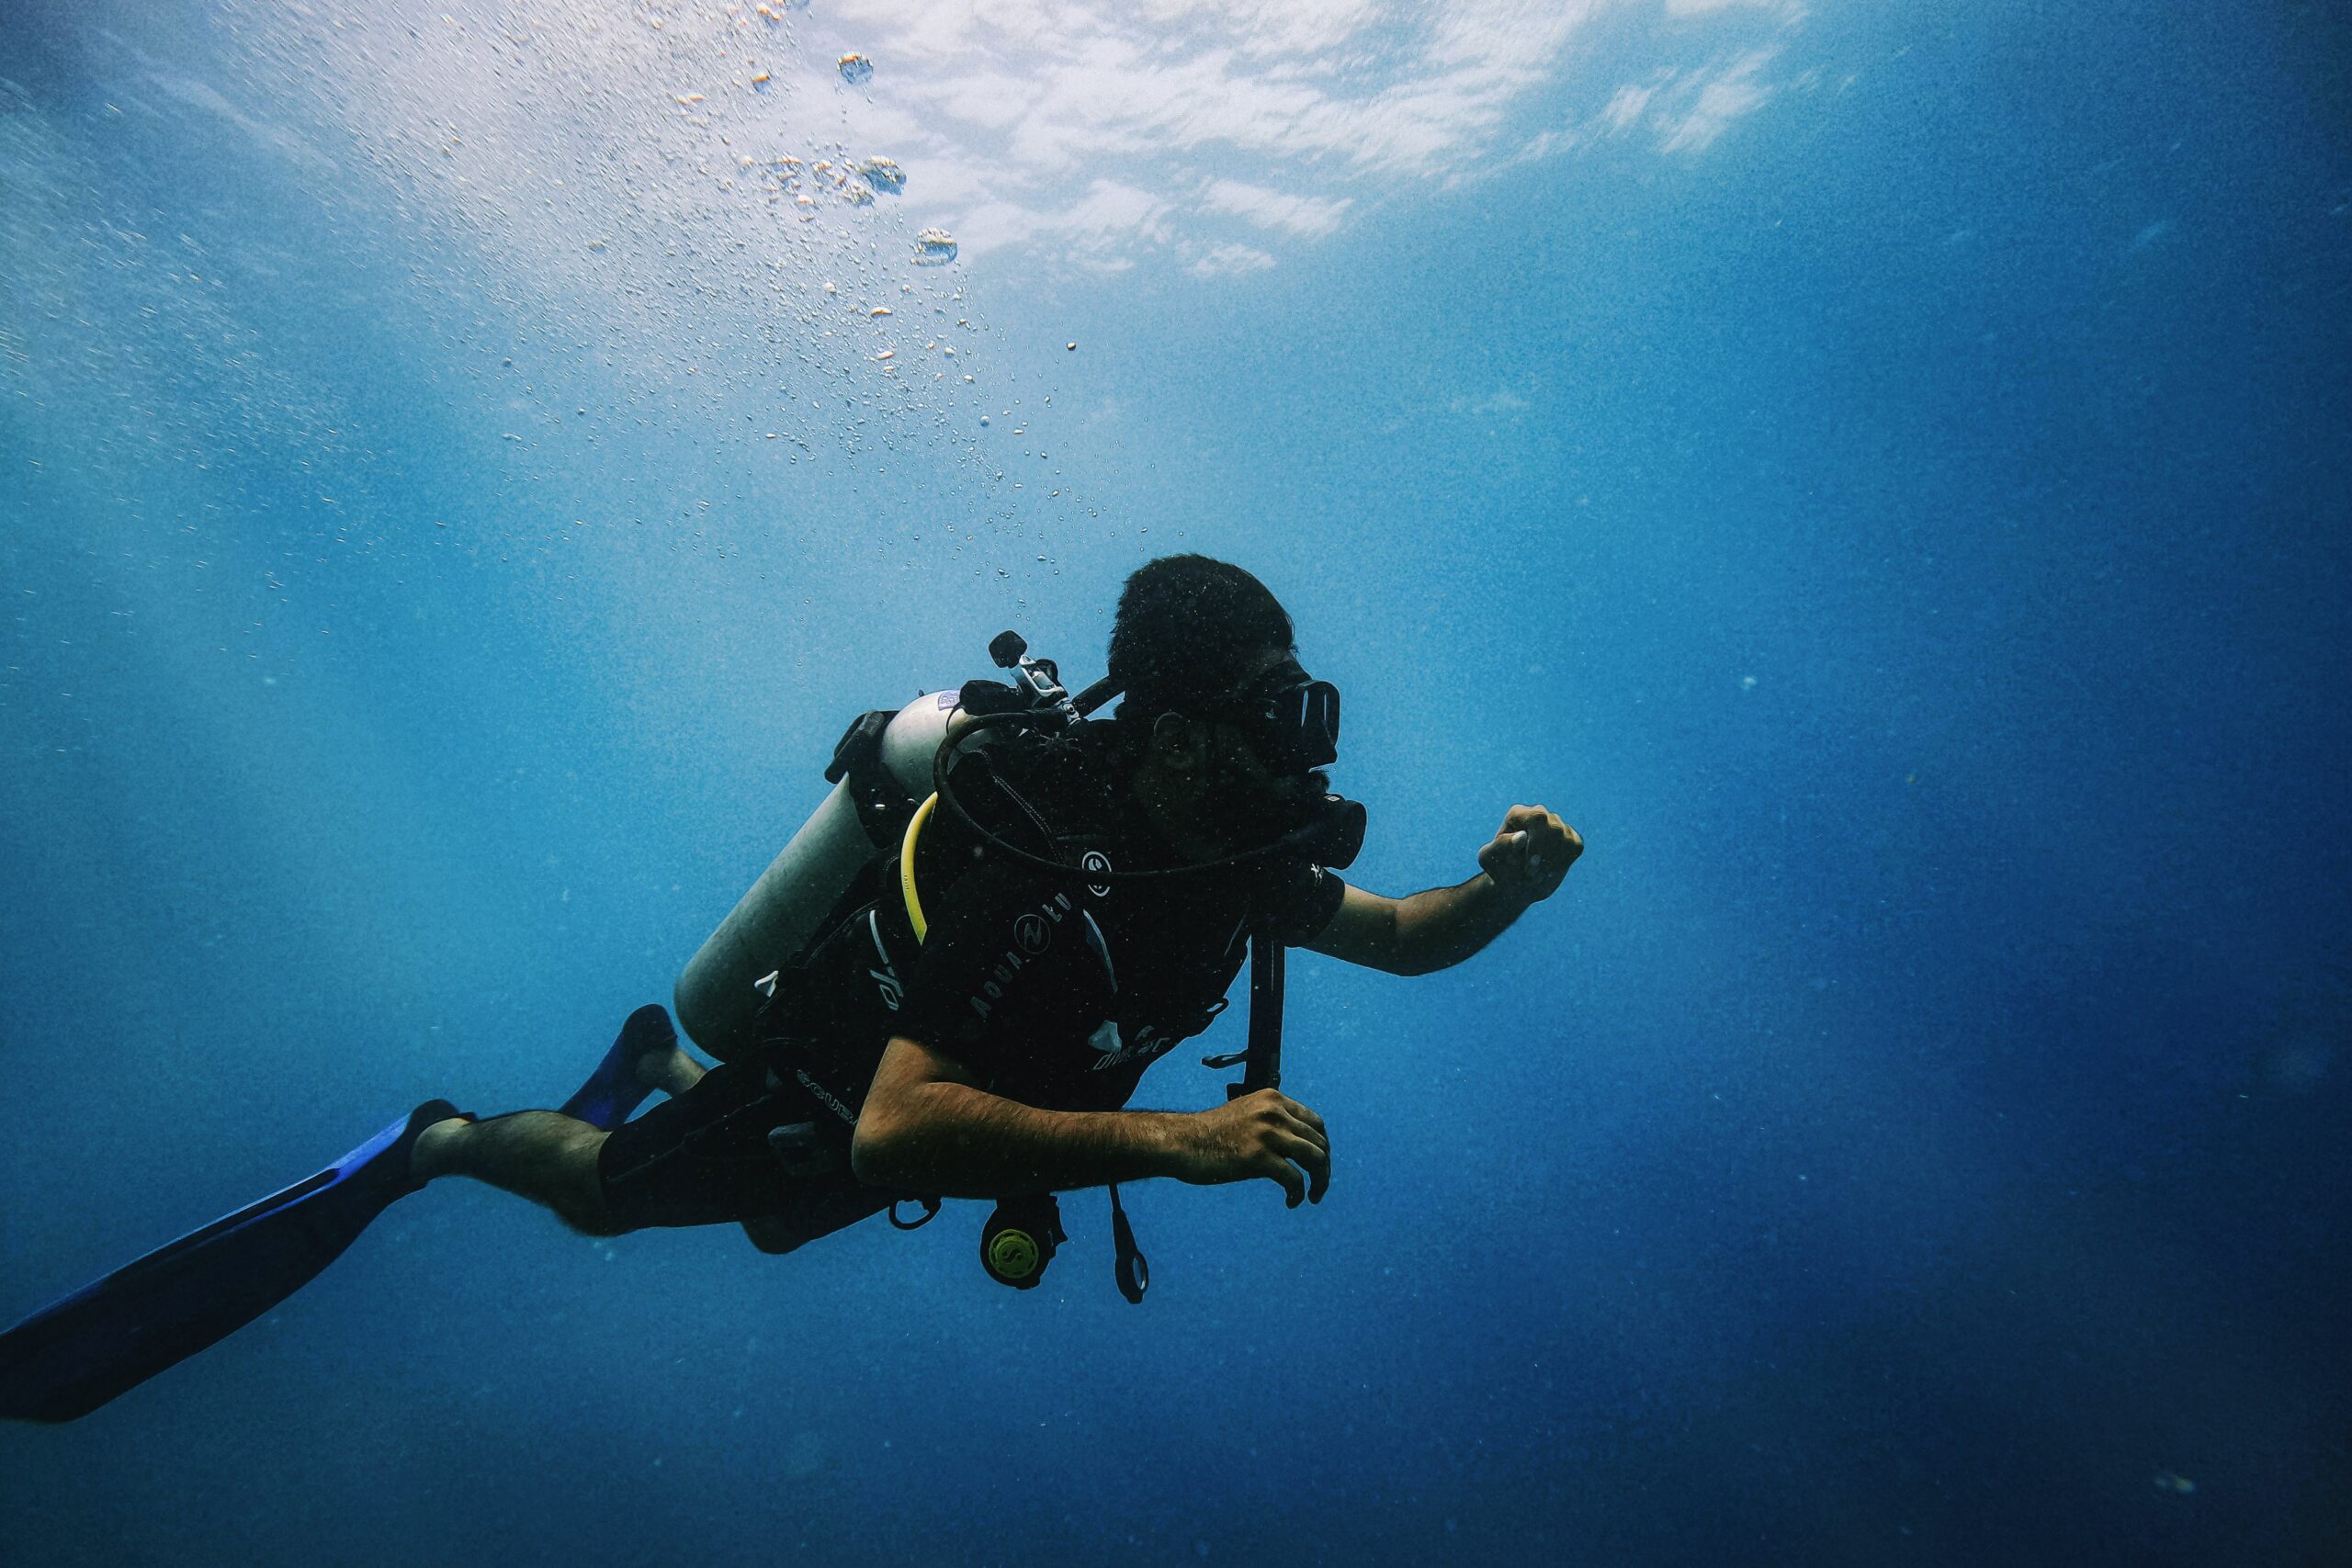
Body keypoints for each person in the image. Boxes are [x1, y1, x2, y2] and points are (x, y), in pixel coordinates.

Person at [0, 556, 1579, 1422]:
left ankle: (656, 1060)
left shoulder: (1218, 860)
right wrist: (1174, 1145)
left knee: (765, 1222)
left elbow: (1406, 933)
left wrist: (1496, 891)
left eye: (1314, 707)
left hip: (927, 1104)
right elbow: (898, 1135)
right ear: (1168, 730)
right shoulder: (1053, 865)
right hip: (838, 1082)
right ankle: (441, 1139)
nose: (1308, 748)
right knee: (608, 1197)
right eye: (1278, 711)